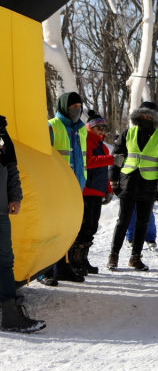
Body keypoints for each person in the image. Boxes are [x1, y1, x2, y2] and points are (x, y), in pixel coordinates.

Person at [108, 101, 158, 272]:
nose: (146, 117)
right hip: (127, 182)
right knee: (123, 221)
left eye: (150, 115)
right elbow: (116, 157)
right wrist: (113, 181)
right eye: (143, 114)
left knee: (142, 222)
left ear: (156, 117)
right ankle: (113, 255)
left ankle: (135, 257)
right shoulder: (128, 133)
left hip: (148, 185)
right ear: (138, 115)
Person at [1, 115, 45, 333]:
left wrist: (15, 196)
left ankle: (9, 314)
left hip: (0, 209)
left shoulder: (1, 129)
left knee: (5, 259)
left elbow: (11, 166)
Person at [43, 91, 89, 285]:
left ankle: (63, 267)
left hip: (76, 187)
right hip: (55, 188)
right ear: (63, 107)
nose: (76, 110)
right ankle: (45, 271)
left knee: (68, 231)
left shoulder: (82, 129)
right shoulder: (51, 127)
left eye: (79, 107)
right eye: (72, 107)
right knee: (51, 231)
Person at [71, 111, 114, 275]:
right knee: (84, 226)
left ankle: (83, 259)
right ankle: (75, 261)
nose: (102, 132)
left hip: (97, 191)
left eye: (104, 129)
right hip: (86, 190)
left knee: (92, 227)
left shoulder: (102, 146)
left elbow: (104, 170)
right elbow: (87, 162)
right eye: (99, 128)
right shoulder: (86, 141)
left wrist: (108, 190)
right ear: (90, 128)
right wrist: (110, 159)